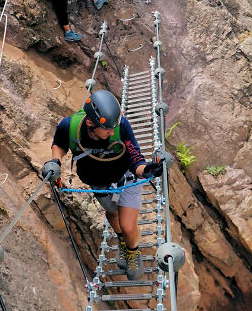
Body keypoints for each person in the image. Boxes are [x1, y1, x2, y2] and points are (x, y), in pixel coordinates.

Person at [44, 90, 164, 280]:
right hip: (98, 182)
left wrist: (146, 170)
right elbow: (59, 144)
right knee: (112, 213)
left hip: (126, 178)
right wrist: (55, 162)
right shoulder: (70, 126)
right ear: (90, 123)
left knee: (127, 226)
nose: (112, 131)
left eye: (113, 127)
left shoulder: (120, 125)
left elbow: (134, 156)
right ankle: (122, 242)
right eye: (107, 128)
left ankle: (132, 252)